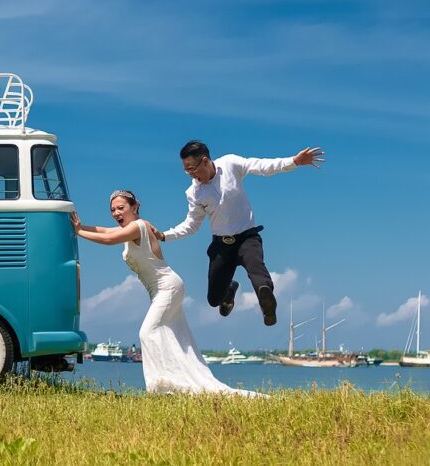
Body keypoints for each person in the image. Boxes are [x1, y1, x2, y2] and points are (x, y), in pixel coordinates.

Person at [72, 190, 260, 396]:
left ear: (134, 207)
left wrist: (78, 232)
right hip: (161, 290)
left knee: (147, 332)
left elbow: (109, 240)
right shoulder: (133, 227)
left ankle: (160, 386)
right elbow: (106, 232)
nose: (116, 213)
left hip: (167, 287)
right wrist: (80, 226)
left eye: (121, 208)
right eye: (113, 210)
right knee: (174, 338)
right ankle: (172, 384)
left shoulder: (138, 226)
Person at [155, 141, 325, 327]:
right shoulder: (194, 193)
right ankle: (229, 289)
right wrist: (164, 236)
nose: (191, 174)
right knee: (214, 299)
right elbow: (191, 225)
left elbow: (262, 166)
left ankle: (266, 304)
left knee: (257, 272)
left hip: (247, 238)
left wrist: (295, 161)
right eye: (187, 171)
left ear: (205, 161)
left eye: (192, 169)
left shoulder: (229, 164)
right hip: (221, 245)